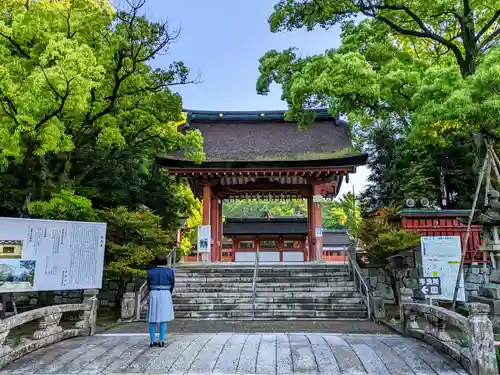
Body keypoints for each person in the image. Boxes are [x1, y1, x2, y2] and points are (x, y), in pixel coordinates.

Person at [147, 254, 175, 347]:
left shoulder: (150, 271)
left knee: (152, 318)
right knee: (163, 318)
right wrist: (169, 292)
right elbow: (172, 283)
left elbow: (148, 284)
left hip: (154, 292)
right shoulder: (170, 271)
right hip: (165, 293)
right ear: (166, 262)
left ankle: (152, 341)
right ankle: (161, 340)